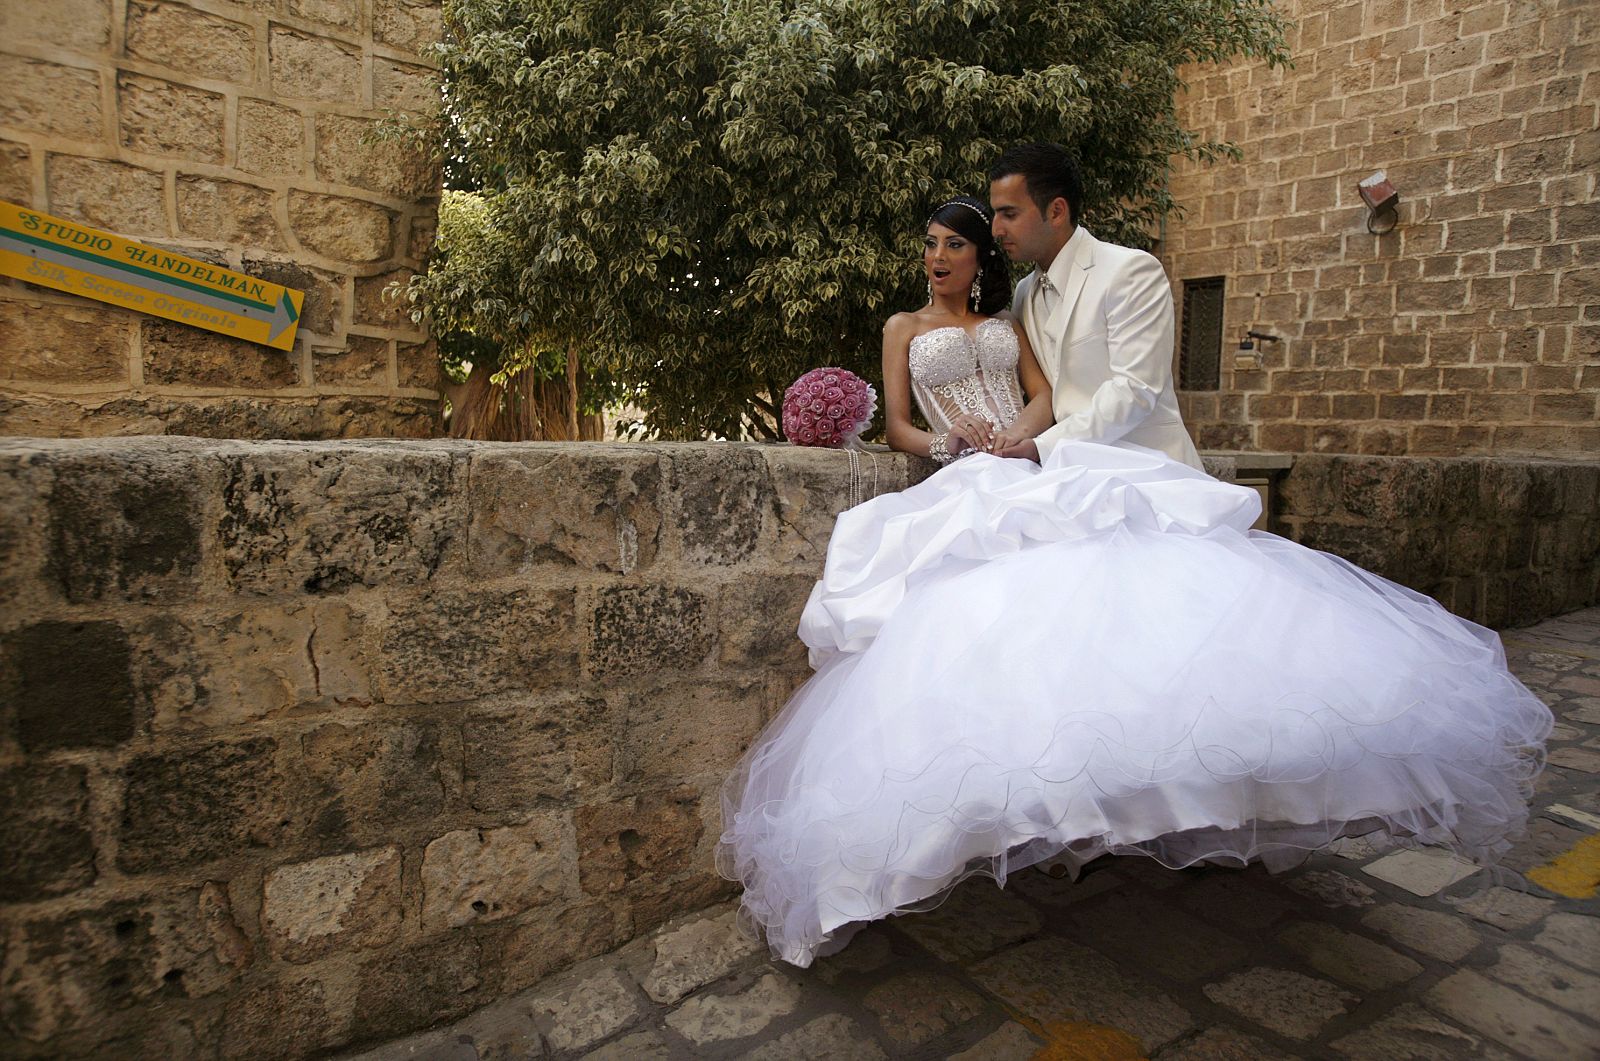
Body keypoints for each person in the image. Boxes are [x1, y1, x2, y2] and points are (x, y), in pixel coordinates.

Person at [716, 194, 1552, 970]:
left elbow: (1042, 396)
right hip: (962, 475)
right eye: (931, 245)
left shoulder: (1015, 318)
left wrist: (1016, 434)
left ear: (978, 261)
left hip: (1028, 462)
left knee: (1107, 598)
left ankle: (1121, 786)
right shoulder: (903, 325)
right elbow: (899, 423)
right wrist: (949, 446)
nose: (938, 257)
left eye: (956, 244)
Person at [989, 142, 1204, 469]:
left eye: (1009, 214)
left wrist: (1044, 446)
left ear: (1056, 211)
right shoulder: (1023, 293)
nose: (996, 229)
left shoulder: (1130, 271)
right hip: (1065, 473)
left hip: (1145, 469)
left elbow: (1136, 390)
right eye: (995, 213)